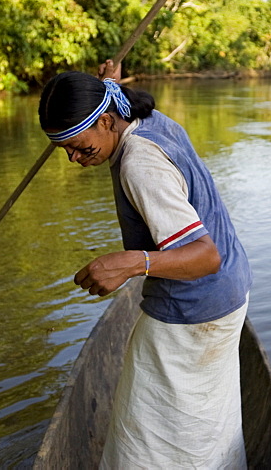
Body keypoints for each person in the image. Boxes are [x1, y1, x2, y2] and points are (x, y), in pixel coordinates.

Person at [38, 60, 253, 468]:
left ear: (106, 121)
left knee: (150, 427)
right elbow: (110, 109)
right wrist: (109, 84)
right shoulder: (144, 116)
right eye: (64, 149)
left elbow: (206, 256)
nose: (74, 158)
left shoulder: (141, 164)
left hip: (197, 303)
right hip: (231, 289)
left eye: (81, 147)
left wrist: (132, 263)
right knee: (203, 417)